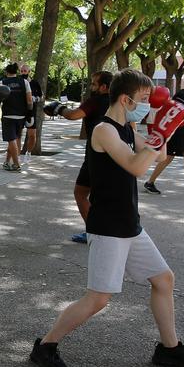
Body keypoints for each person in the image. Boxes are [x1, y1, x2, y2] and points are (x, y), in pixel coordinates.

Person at [30, 69, 184, 367]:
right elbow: (136, 166)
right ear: (126, 99)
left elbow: (160, 153)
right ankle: (45, 345)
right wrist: (159, 133)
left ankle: (169, 349)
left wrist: (164, 122)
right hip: (109, 226)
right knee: (99, 299)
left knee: (164, 280)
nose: (146, 104)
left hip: (130, 224)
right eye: (142, 99)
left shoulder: (129, 128)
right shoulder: (105, 130)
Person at [44, 70, 112, 243]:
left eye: (94, 84)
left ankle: (95, 232)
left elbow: (73, 115)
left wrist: (59, 108)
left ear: (103, 87)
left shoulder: (95, 101)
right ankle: (103, 231)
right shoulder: (119, 102)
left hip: (95, 156)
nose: (91, 87)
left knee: (81, 193)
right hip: (116, 155)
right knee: (105, 195)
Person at [143, 75, 184, 195]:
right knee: (168, 157)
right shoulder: (182, 95)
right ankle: (150, 182)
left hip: (182, 131)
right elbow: (178, 112)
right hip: (177, 132)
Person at [0, 63, 32, 171]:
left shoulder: (2, 82)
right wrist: (30, 114)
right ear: (16, 72)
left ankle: (17, 164)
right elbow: (30, 100)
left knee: (11, 139)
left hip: (8, 115)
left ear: (6, 72)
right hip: (21, 115)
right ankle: (7, 162)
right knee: (14, 139)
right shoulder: (24, 82)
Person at [19, 63, 43, 155]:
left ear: (29, 72)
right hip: (19, 112)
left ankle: (28, 153)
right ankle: (16, 155)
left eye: (25, 71)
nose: (23, 73)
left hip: (31, 113)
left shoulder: (35, 83)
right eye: (21, 71)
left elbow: (41, 96)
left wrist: (34, 98)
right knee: (17, 136)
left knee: (32, 136)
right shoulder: (18, 82)